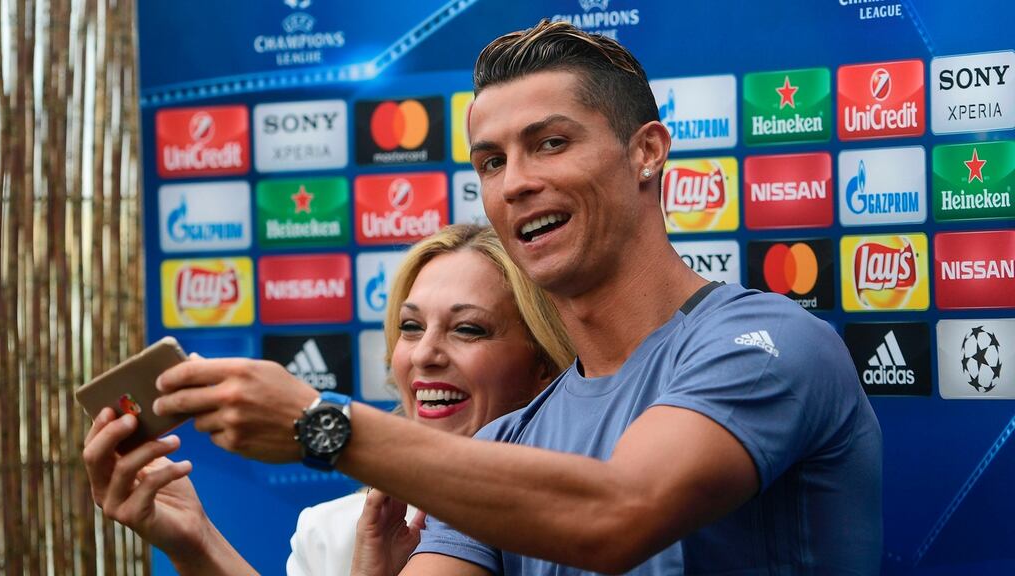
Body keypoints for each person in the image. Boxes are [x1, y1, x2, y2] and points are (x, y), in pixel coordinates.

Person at [146, 20, 883, 574]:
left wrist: (325, 427)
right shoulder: (506, 444)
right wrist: (197, 542)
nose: (516, 181)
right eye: (492, 160)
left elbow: (619, 513)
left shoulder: (768, 344)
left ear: (647, 152)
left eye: (550, 143)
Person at [82, 224, 576, 575]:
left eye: (468, 329)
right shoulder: (334, 530)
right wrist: (196, 542)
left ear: (546, 362)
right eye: (410, 327)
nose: (424, 354)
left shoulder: (595, 517)